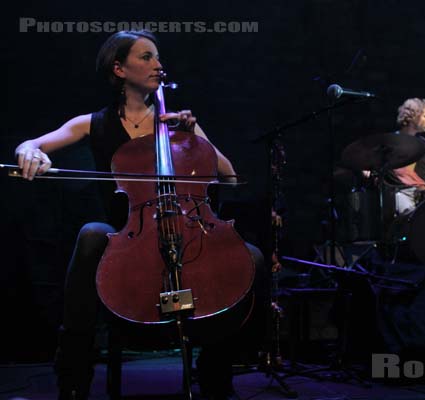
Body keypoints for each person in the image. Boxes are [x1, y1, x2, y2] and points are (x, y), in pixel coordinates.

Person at [15, 30, 263, 400]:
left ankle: (215, 372)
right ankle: (73, 373)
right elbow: (33, 143)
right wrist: (31, 152)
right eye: (146, 57)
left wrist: (195, 137)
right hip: (124, 235)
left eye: (158, 58)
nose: (157, 65)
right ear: (119, 68)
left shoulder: (174, 123)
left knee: (254, 258)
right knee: (90, 233)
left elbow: (228, 176)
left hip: (186, 228)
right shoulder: (93, 123)